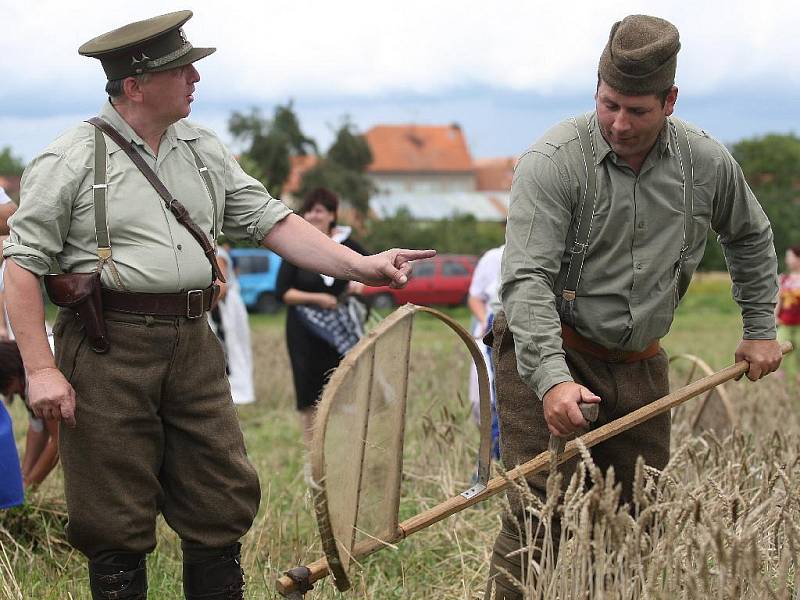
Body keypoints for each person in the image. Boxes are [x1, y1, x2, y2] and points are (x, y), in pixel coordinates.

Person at [2, 11, 433, 600]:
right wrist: (41, 368)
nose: (195, 79)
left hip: (194, 342)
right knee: (113, 513)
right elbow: (21, 265)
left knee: (220, 493)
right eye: (181, 69)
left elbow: (271, 220)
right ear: (135, 84)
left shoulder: (203, 149)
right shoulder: (70, 158)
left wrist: (360, 265)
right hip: (108, 346)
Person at [485, 15, 782, 600]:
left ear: (670, 100)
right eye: (608, 104)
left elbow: (750, 236)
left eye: (637, 110)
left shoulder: (707, 164)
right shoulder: (554, 160)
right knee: (538, 518)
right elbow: (527, 279)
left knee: (635, 522)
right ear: (596, 91)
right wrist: (551, 383)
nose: (619, 123)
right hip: (551, 354)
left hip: (642, 366)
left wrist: (759, 327)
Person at [276, 188, 368, 479]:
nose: (314, 215)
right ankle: (314, 458)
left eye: (320, 210)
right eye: (309, 210)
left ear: (331, 214)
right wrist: (317, 299)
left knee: (345, 387)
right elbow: (284, 293)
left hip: (342, 331)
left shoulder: (348, 244)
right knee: (309, 391)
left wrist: (360, 284)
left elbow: (369, 270)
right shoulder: (294, 247)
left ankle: (347, 452)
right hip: (304, 329)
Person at [0, 340, 60, 490]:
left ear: (11, 376)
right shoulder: (23, 374)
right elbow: (37, 428)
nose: (11, 394)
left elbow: (58, 442)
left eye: (8, 390)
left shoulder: (37, 377)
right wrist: (22, 477)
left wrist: (28, 486)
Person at [467, 243, 503, 459]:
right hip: (493, 327)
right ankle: (493, 458)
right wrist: (483, 322)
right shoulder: (493, 256)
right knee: (490, 395)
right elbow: (475, 296)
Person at [208, 244, 256, 405]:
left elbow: (221, 286)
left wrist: (201, 307)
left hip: (223, 309)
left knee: (228, 349)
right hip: (220, 308)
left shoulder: (217, 253)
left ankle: (235, 392)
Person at [776, 245, 800, 382]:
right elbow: (778, 300)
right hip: (785, 323)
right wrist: (774, 317)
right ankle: (781, 385)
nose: (787, 260)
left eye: (790, 257)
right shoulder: (783, 279)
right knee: (778, 352)